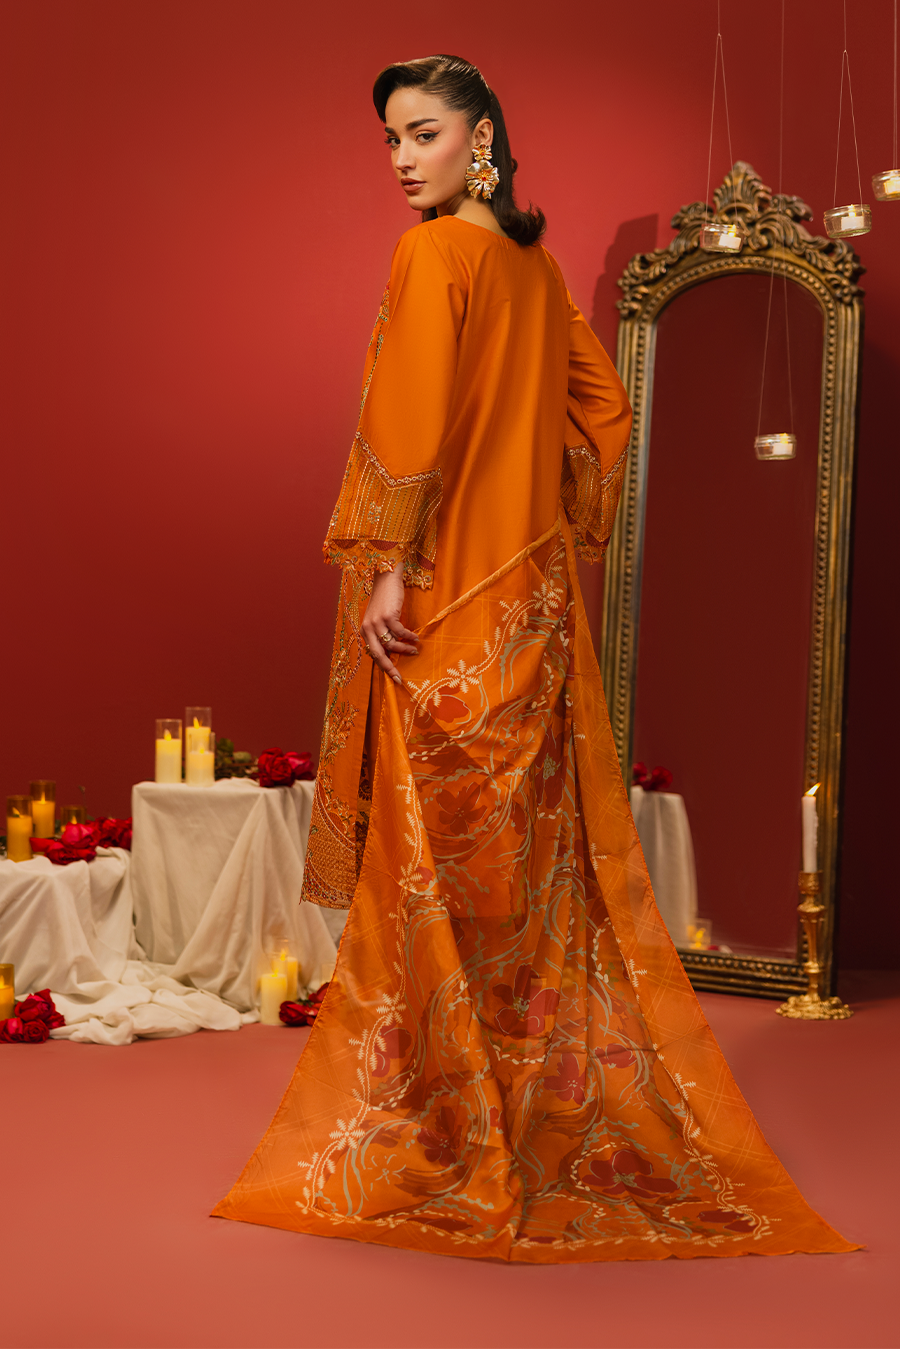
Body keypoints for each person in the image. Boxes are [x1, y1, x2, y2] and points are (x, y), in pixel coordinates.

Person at [215, 54, 855, 1263]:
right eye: (390, 139)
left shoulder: (435, 257)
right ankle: (517, 1106)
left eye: (422, 133)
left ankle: (448, 1124)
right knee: (522, 875)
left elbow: (408, 418)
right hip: (532, 611)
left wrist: (390, 564)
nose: (402, 159)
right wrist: (543, 522)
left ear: (482, 139)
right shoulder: (536, 267)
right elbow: (603, 413)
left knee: (435, 873)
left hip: (442, 606)